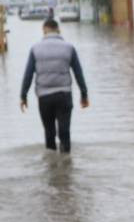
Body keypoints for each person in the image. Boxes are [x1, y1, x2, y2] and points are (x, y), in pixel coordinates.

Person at [20, 18, 90, 153]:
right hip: (64, 95)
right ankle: (66, 160)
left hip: (44, 97)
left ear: (44, 30)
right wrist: (84, 95)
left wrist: (23, 96)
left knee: (49, 132)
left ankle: (51, 162)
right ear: (58, 30)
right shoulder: (69, 48)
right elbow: (78, 73)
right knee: (64, 131)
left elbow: (28, 75)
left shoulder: (35, 49)